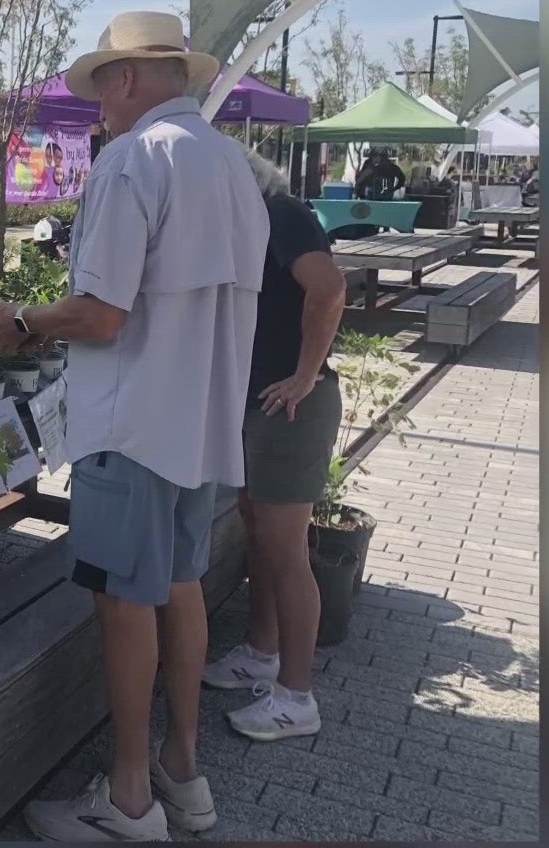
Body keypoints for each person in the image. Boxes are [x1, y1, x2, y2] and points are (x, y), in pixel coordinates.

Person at [0, 11, 266, 841]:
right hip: (200, 422)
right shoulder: (232, 165)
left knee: (122, 602)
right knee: (180, 587)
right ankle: (183, 769)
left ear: (128, 78)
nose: (97, 104)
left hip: (130, 424)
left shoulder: (134, 161)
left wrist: (22, 318)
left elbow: (102, 314)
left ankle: (131, 800)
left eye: (101, 86)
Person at [201, 151, 347, 741]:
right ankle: (261, 652)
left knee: (286, 549)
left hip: (291, 406)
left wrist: (306, 375)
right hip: (259, 401)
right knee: (257, 530)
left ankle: (296, 697)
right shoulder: (247, 225)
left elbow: (329, 289)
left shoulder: (281, 213)